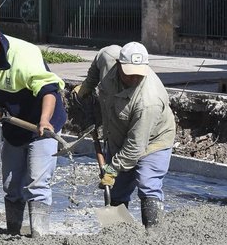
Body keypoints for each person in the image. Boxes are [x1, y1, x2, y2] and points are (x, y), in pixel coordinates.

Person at [0, 17, 66, 237]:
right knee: (11, 185)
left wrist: (44, 120)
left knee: (37, 184)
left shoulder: (24, 55)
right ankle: (13, 232)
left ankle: (39, 237)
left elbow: (49, 91)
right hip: (15, 125)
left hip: (42, 124)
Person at [73, 42, 176, 228]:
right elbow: (100, 56)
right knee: (117, 189)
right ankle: (118, 234)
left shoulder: (149, 100)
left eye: (139, 72)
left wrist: (112, 169)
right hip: (118, 134)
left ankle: (153, 233)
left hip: (153, 140)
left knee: (147, 182)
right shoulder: (109, 58)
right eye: (130, 72)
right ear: (119, 64)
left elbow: (135, 146)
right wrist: (88, 85)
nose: (135, 77)